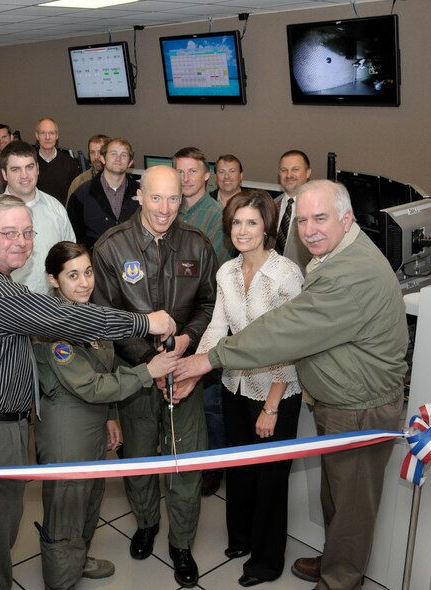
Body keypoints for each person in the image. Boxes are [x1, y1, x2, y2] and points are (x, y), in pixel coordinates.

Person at [174, 179, 409, 590]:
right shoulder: (336, 253)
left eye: (320, 218)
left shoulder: (343, 274)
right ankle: (335, 560)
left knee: (351, 509)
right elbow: (224, 323)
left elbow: (281, 334)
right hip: (339, 402)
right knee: (336, 497)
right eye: (301, 220)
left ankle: (339, 579)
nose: (310, 230)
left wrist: (206, 361)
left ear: (347, 217)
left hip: (359, 408)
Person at [0, 194, 177, 590]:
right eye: (8, 233)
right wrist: (144, 322)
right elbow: (65, 318)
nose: (21, 241)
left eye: (28, 232)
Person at [90, 165, 217, 588]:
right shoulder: (110, 248)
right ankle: (146, 524)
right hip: (137, 377)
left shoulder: (197, 245)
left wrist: (188, 340)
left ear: (184, 199)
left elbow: (207, 303)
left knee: (185, 464)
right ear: (139, 196)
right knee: (141, 460)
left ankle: (181, 544)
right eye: (157, 198)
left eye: (174, 199)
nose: (165, 209)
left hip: (185, 374)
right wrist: (151, 364)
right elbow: (108, 318)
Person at [34, 241, 179, 590]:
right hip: (66, 430)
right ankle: (60, 579)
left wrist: (111, 416)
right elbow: (90, 385)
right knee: (67, 506)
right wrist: (148, 371)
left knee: (90, 498)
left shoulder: (89, 313)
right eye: (72, 276)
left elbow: (106, 364)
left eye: (87, 272)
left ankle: (78, 559)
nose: (84, 283)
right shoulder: (55, 328)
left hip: (93, 422)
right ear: (54, 280)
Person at [195, 189, 303, 587]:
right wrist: (192, 368)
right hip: (235, 384)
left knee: (270, 480)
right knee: (239, 470)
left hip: (276, 391)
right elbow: (216, 329)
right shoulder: (226, 272)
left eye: (251, 222)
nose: (242, 230)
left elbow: (294, 343)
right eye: (236, 222)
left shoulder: (286, 274)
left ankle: (267, 560)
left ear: (267, 227)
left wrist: (272, 405)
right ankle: (240, 538)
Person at [173, 146, 231, 496]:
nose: (185, 179)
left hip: (207, 318)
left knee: (211, 402)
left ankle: (214, 466)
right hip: (175, 320)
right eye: (179, 172)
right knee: (181, 393)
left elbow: (217, 273)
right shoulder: (170, 209)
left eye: (192, 172)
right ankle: (186, 457)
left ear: (206, 175)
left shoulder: (215, 215)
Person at [0, 140, 75, 294]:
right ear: (4, 174)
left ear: (37, 168)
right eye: (16, 169)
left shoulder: (56, 209)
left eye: (29, 167)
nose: (25, 175)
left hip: (51, 305)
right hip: (8, 306)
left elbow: (70, 260)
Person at [66, 137, 140, 249]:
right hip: (94, 261)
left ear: (130, 163)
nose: (118, 158)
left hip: (132, 262)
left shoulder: (141, 194)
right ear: (103, 159)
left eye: (124, 155)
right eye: (113, 154)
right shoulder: (82, 194)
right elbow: (72, 236)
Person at [275, 150, 313, 271]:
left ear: (308, 173)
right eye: (284, 170)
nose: (289, 175)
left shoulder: (318, 211)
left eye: (295, 169)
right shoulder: (270, 206)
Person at [34, 118, 79, 202]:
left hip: (62, 213)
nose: (47, 137)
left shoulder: (70, 163)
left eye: (51, 133)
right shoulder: (29, 163)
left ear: (57, 135)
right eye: (43, 133)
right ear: (37, 136)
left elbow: (75, 196)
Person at [66, 134, 109, 199]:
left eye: (100, 152)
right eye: (92, 152)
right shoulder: (78, 182)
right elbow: (70, 208)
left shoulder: (119, 181)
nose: (96, 157)